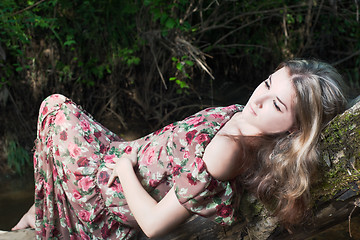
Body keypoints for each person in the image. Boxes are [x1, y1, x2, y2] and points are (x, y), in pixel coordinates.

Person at [12, 59, 347, 239]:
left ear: (293, 128)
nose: (257, 99)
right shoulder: (246, 121)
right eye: (267, 83)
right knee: (62, 113)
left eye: (275, 104)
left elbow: (154, 225)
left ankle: (45, 214)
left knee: (55, 108)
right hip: (125, 155)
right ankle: (42, 206)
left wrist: (125, 169)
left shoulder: (227, 152)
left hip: (113, 187)